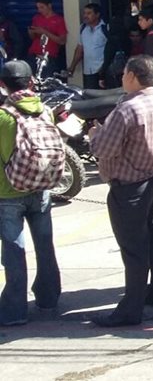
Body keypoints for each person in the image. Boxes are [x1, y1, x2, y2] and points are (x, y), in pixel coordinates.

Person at [88, 55, 153, 327]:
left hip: (130, 186)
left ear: (133, 76)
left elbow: (104, 149)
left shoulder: (127, 110)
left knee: (134, 249)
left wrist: (94, 135)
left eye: (125, 73)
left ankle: (131, 309)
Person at [0, 60, 61, 326]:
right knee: (45, 246)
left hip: (8, 192)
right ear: (31, 82)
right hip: (41, 188)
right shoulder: (46, 111)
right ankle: (48, 298)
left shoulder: (3, 117)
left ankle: (14, 311)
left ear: (3, 85)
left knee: (14, 251)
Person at [68, 4, 108, 89]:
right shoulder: (83, 28)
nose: (85, 16)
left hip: (103, 71)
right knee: (91, 97)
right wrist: (72, 67)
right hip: (88, 71)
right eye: (84, 13)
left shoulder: (105, 28)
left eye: (89, 13)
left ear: (97, 15)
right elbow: (79, 49)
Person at [26, 0, 67, 74]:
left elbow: (62, 41)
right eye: (38, 8)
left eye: (42, 7)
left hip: (49, 56)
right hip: (33, 54)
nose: (40, 10)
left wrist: (44, 32)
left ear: (49, 6)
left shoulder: (58, 20)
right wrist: (31, 32)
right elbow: (32, 38)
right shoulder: (37, 18)